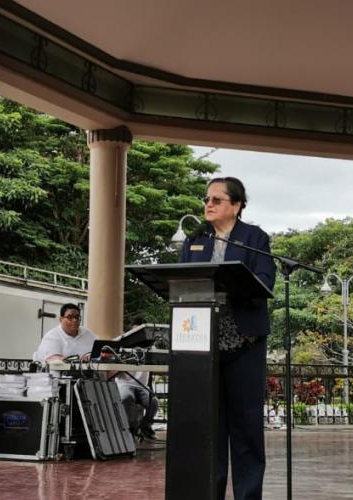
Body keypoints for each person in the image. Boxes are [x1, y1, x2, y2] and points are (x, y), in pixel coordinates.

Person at [180, 177, 275, 500]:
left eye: (217, 200)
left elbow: (265, 280)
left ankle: (248, 496)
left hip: (244, 344)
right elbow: (181, 281)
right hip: (202, 345)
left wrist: (230, 283)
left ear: (236, 206)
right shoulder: (195, 240)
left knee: (246, 428)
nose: (208, 204)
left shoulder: (254, 238)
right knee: (211, 429)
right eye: (206, 199)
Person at [116, 370, 159, 440]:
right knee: (126, 398)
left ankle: (145, 426)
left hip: (142, 385)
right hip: (124, 383)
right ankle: (133, 428)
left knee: (154, 402)